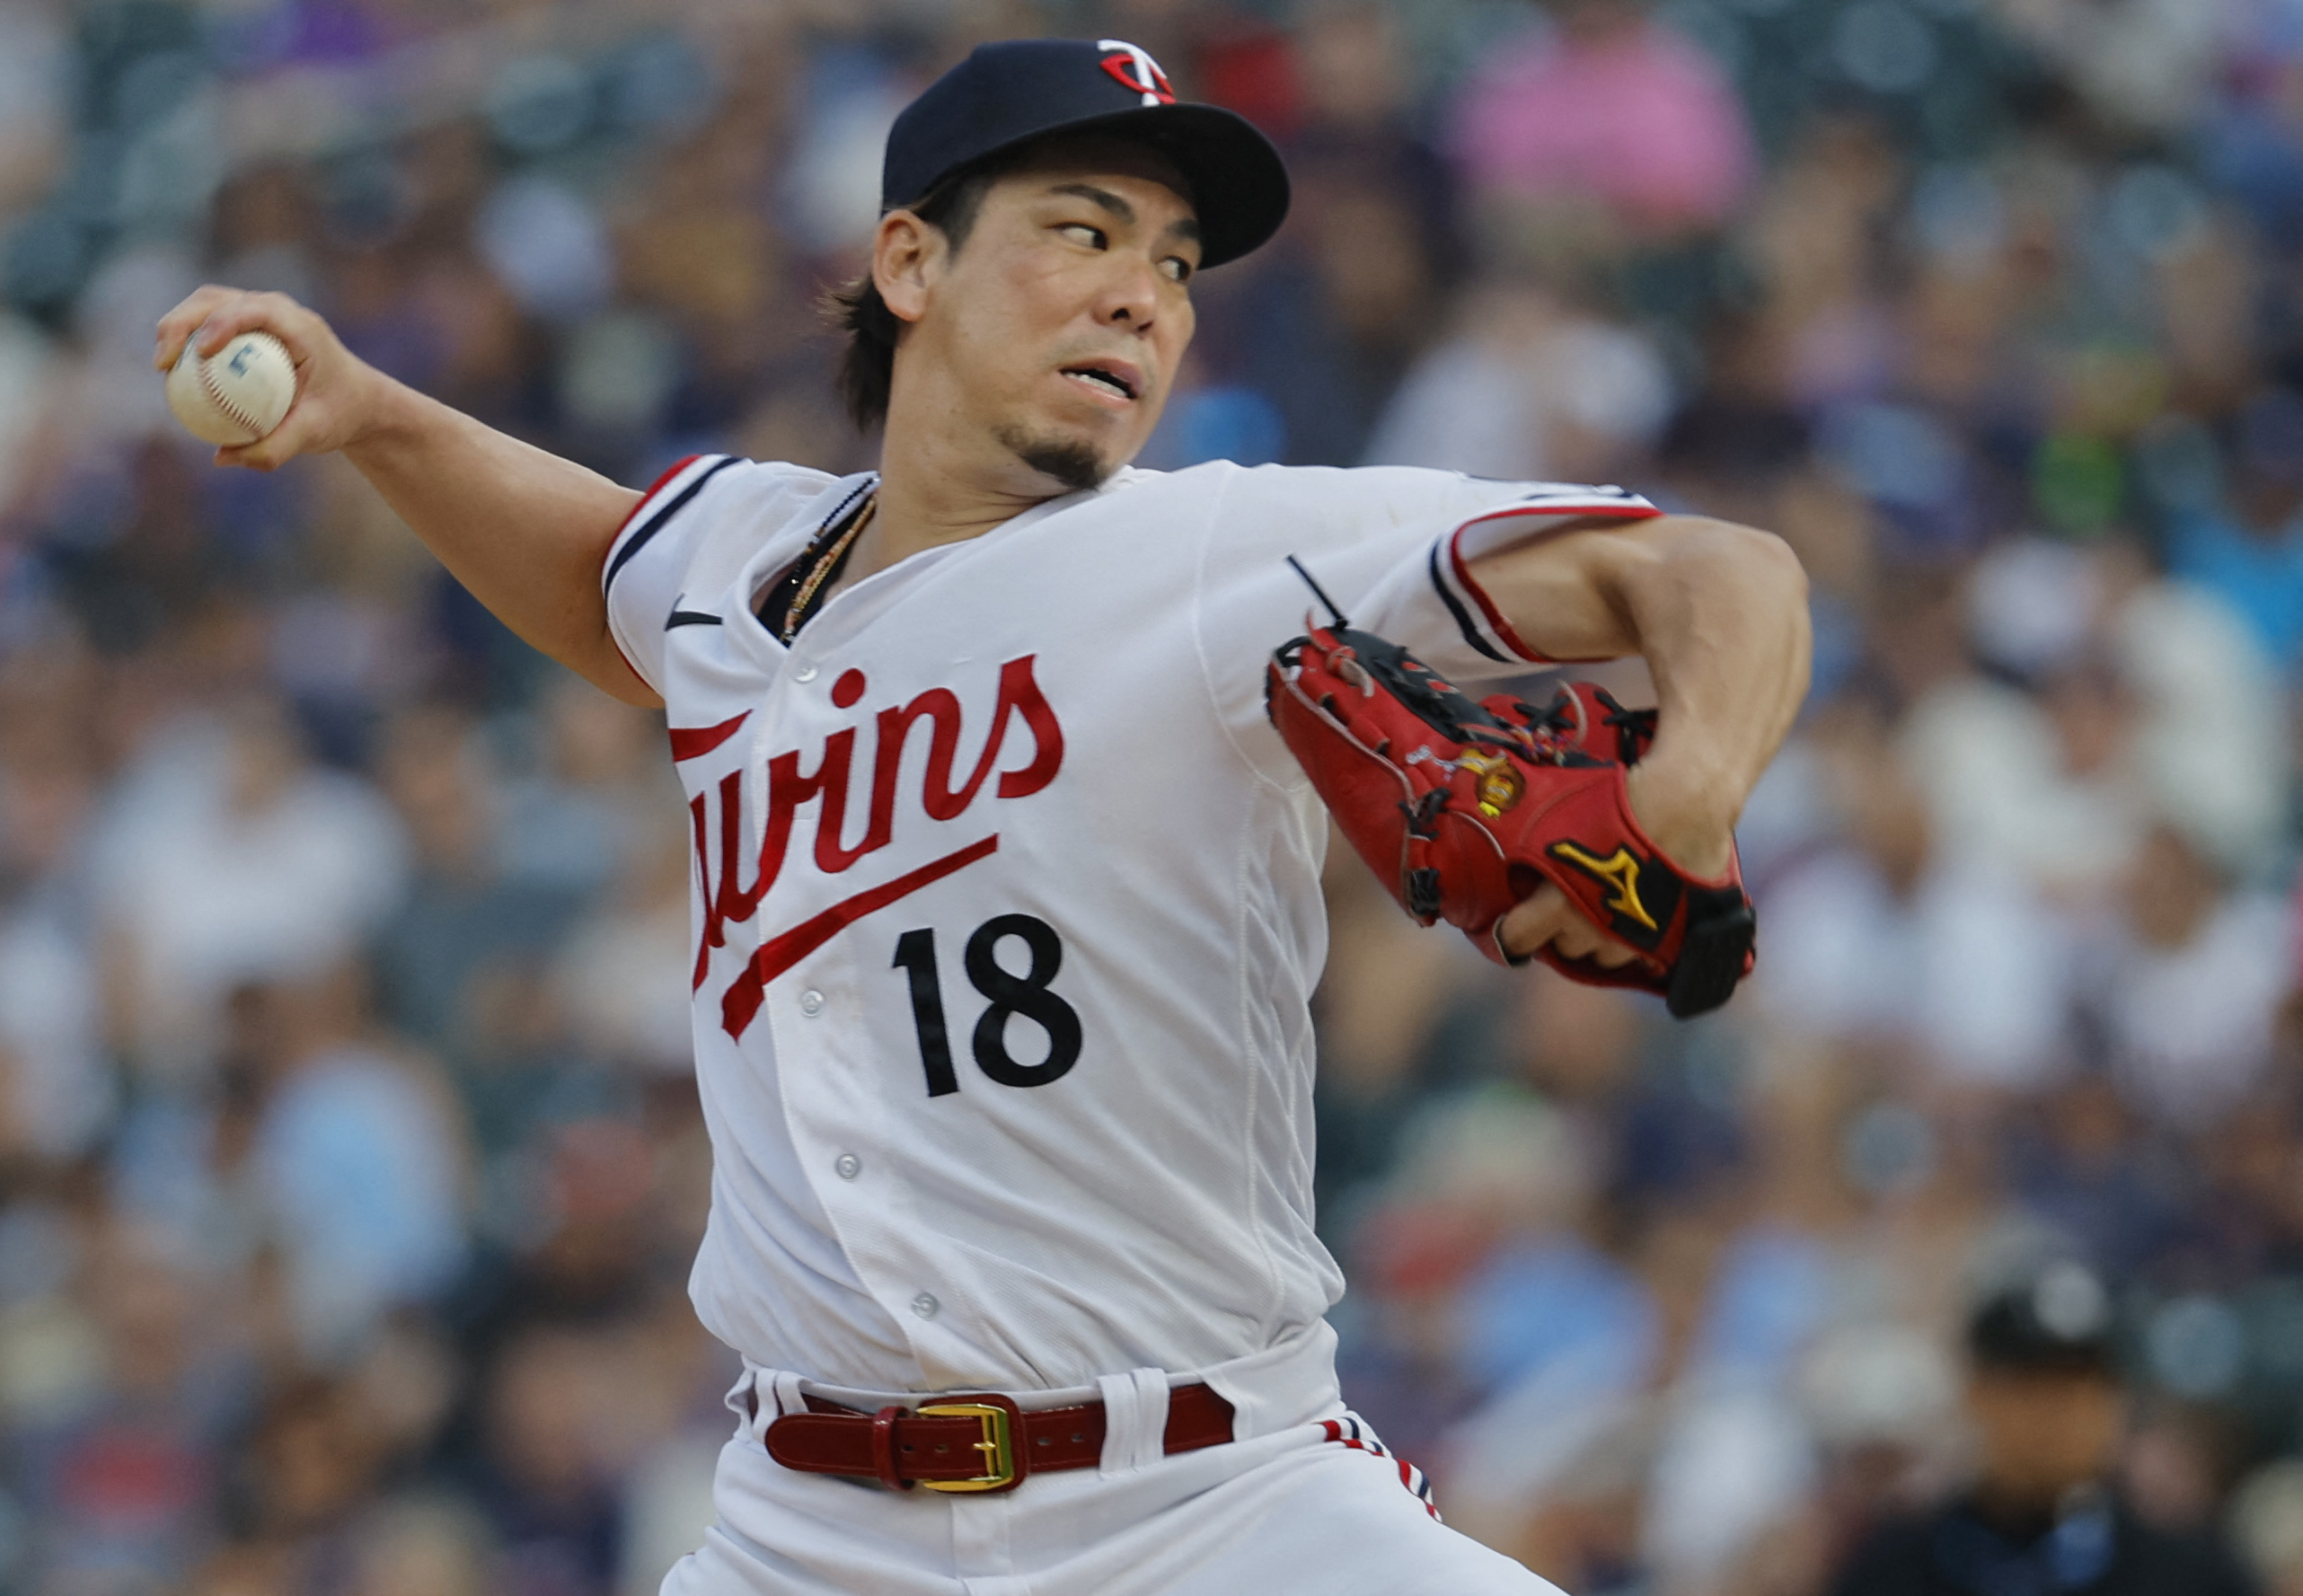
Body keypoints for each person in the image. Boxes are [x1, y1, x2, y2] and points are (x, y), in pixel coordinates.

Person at [154, 37, 1809, 1596]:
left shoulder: (1218, 553)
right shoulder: (737, 554)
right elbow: (606, 590)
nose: (1139, 296)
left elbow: (1716, 571)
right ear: (909, 264)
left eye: (1172, 264)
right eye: (1083, 231)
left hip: (1210, 1506)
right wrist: (371, 412)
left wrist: (1685, 788)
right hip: (807, 1525)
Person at [1828, 1259, 2258, 1596]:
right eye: (2033, 1386)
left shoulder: (2195, 1578)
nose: (2059, 1415)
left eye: (2082, 1388)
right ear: (1975, 1392)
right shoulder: (1892, 1571)